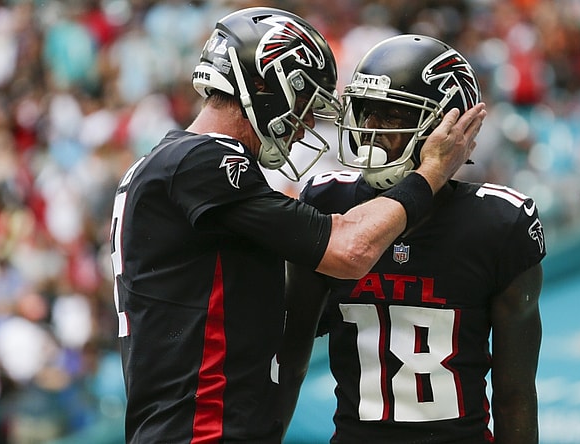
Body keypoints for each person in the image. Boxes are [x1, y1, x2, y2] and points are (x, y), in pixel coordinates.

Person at [108, 7, 486, 444]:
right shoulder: (201, 161)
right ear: (267, 85)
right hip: (202, 432)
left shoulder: (173, 162)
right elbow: (351, 250)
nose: (306, 124)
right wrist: (431, 173)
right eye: (305, 104)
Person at [279, 34, 544, 443]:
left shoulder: (500, 225)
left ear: (446, 126)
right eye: (366, 112)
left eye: (391, 115)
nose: (370, 130)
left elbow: (515, 395)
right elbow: (289, 356)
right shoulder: (327, 200)